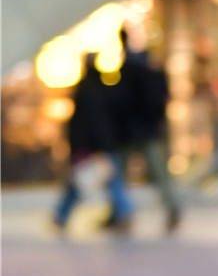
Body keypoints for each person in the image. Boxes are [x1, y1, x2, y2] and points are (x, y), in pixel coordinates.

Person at [53, 53, 134, 234]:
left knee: (82, 181)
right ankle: (123, 213)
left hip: (93, 145)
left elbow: (82, 123)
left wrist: (78, 146)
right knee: (104, 180)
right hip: (106, 143)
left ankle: (61, 216)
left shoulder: (85, 90)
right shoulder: (104, 87)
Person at [117, 28, 183, 233]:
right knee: (158, 174)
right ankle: (171, 208)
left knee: (122, 175)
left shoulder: (130, 72)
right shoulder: (154, 73)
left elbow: (124, 103)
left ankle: (122, 213)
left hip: (133, 131)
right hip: (148, 131)